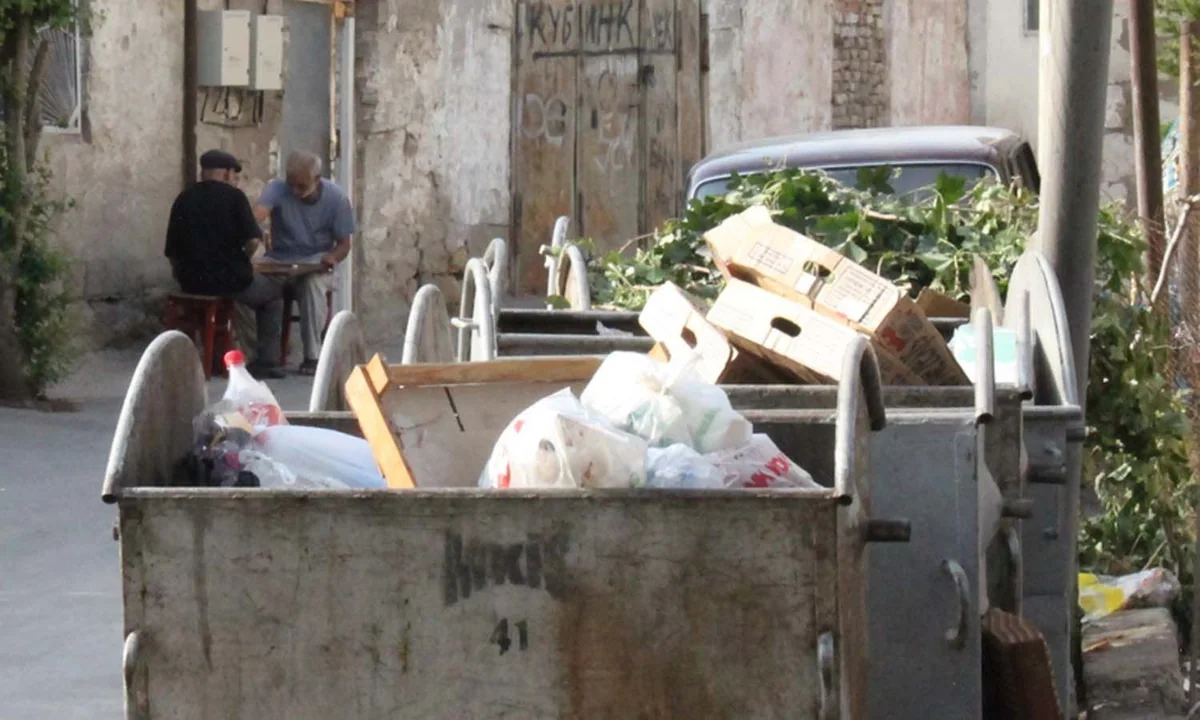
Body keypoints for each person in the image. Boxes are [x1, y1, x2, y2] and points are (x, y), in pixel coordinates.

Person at [164, 149, 286, 379]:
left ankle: (220, 352)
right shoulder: (234, 197)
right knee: (273, 296)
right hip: (229, 281)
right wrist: (243, 258)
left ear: (204, 172)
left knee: (237, 299)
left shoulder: (183, 198)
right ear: (228, 174)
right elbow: (252, 240)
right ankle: (266, 361)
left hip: (191, 283)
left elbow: (171, 251)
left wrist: (182, 275)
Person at [254, 151, 355, 375]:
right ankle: (260, 356)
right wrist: (255, 226)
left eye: (301, 186)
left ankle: (313, 356)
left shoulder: (336, 199)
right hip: (280, 258)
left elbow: (344, 245)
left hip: (315, 260)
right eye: (291, 185)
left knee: (311, 284)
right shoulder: (277, 188)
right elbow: (258, 215)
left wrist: (332, 257)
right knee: (247, 282)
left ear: (317, 179)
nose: (294, 191)